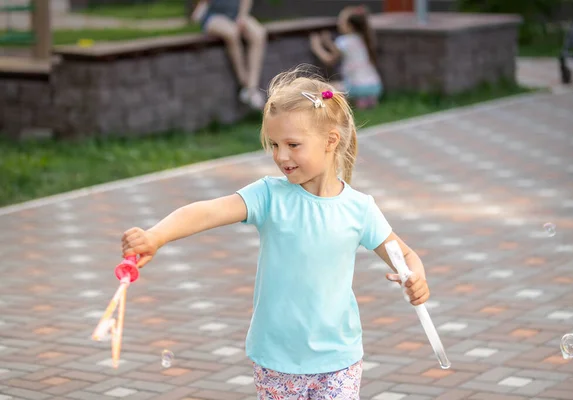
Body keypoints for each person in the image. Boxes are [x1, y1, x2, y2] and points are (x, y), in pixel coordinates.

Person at [121, 65, 429, 399]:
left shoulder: (359, 208)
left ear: (331, 140)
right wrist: (156, 236)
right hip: (278, 361)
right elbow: (208, 211)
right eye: (274, 144)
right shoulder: (269, 196)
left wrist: (415, 277)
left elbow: (405, 255)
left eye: (293, 144)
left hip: (339, 358)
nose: (281, 156)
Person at [191, 0, 267, 109]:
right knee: (232, 33)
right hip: (214, 16)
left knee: (259, 33)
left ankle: (251, 87)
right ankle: (244, 83)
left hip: (237, 13)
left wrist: (242, 15)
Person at [310, 5, 383, 109]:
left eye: (341, 21)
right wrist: (328, 42)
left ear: (350, 26)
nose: (338, 24)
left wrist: (316, 46)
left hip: (357, 87)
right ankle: (367, 100)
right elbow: (338, 50)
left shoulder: (344, 41)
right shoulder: (364, 39)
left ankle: (357, 99)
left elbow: (329, 59)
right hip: (375, 87)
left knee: (324, 88)